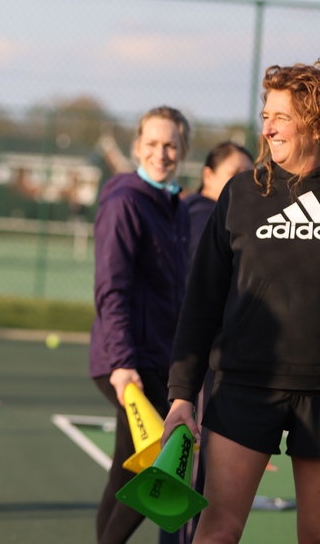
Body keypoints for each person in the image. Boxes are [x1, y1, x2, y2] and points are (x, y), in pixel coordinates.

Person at [164, 57, 320, 543]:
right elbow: (201, 303)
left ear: (316, 123)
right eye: (265, 116)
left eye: (281, 116)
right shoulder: (240, 193)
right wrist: (181, 396)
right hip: (242, 388)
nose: (268, 128)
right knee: (216, 531)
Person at [89, 105, 192, 544]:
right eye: (152, 143)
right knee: (158, 468)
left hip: (160, 358)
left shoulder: (176, 207)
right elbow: (111, 289)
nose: (161, 153)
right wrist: (123, 363)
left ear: (183, 150)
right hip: (128, 361)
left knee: (124, 470)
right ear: (136, 147)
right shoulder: (125, 202)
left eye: (170, 145)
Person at [162, 140, 253, 544]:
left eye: (250, 174)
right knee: (187, 472)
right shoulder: (207, 216)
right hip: (201, 359)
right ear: (209, 176)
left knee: (189, 474)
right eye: (235, 173)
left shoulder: (215, 213)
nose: (245, 182)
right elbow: (204, 296)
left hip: (207, 356)